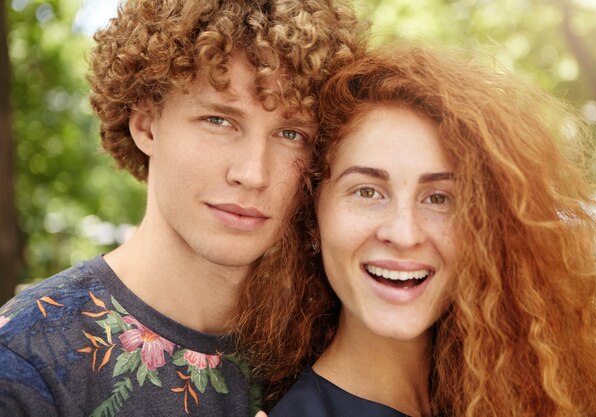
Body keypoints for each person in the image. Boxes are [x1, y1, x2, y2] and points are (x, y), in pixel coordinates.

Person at [0, 1, 367, 416]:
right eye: (219, 120)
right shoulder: (24, 358)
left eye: (290, 133)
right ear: (145, 123)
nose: (253, 173)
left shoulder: (333, 342)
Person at [235, 45, 596, 416]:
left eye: (439, 198)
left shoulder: (503, 387)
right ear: (313, 220)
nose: (404, 234)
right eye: (367, 191)